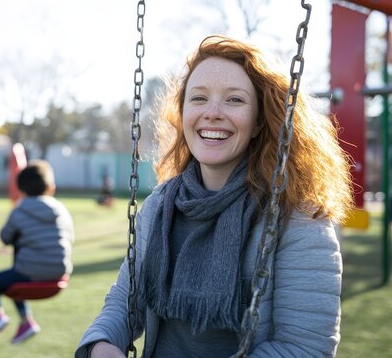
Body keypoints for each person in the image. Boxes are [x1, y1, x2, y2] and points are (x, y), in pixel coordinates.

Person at [75, 35, 353, 357]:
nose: (212, 113)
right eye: (198, 98)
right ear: (183, 113)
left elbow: (305, 347)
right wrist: (101, 345)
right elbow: (123, 304)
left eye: (234, 100)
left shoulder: (298, 219)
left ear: (260, 121)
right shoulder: (161, 205)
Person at [0, 159, 75, 344]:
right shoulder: (61, 209)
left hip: (29, 272)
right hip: (60, 272)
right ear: (50, 187)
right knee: (19, 270)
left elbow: (5, 238)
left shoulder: (20, 210)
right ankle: (27, 322)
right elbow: (70, 237)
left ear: (21, 189)